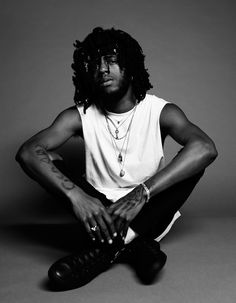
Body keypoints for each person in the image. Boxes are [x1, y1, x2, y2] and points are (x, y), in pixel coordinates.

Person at [16, 27, 217, 290]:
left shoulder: (160, 111)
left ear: (130, 66)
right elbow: (28, 151)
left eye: (111, 60)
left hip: (150, 212)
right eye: (95, 62)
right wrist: (77, 197)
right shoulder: (79, 115)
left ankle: (105, 251)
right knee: (47, 158)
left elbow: (206, 148)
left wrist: (142, 193)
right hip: (97, 216)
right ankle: (135, 245)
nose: (102, 69)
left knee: (193, 162)